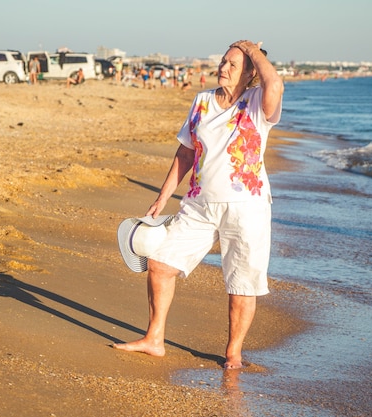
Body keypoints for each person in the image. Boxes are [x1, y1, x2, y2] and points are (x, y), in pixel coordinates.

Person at [113, 40, 284, 370]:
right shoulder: (202, 101)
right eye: (223, 61)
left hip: (246, 206)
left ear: (249, 72)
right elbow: (187, 152)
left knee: (241, 284)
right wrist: (163, 195)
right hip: (198, 204)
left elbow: (274, 82)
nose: (223, 68)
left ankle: (233, 353)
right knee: (161, 263)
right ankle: (154, 339)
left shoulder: (257, 103)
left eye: (233, 64)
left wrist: (249, 48)